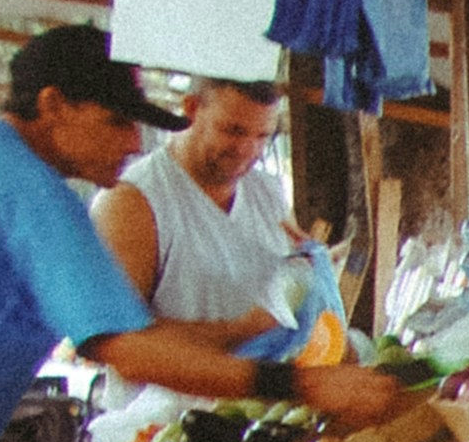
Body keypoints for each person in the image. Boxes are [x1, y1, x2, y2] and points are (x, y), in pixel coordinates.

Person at [0, 27, 407, 440]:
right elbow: (128, 350)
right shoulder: (32, 192)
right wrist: (303, 385)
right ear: (53, 105)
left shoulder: (7, 165)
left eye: (262, 135)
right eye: (116, 121)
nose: (134, 142)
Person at [92, 74, 343, 351]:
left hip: (258, 391)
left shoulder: (268, 193)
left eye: (262, 136)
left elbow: (289, 287)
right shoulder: (133, 200)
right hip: (166, 395)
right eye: (232, 131)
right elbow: (116, 339)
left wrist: (310, 273)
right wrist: (245, 329)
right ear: (191, 108)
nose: (248, 150)